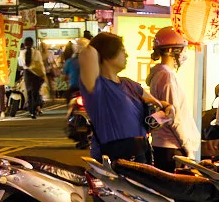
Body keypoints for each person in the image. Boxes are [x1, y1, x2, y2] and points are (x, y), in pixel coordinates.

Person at [75, 32, 151, 164]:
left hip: (141, 150)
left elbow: (158, 104)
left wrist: (167, 110)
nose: (126, 55)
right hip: (114, 157)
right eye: (122, 51)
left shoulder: (130, 84)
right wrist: (103, 42)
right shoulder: (96, 85)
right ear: (108, 55)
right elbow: (88, 53)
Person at [145, 27, 188, 155]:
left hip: (164, 144)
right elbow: (173, 116)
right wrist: (187, 146)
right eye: (183, 49)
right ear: (170, 50)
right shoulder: (166, 76)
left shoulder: (159, 73)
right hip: (171, 145)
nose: (185, 54)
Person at [19, 42, 45, 118]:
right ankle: (36, 109)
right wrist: (43, 74)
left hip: (27, 73)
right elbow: (40, 64)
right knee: (35, 93)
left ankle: (31, 112)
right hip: (35, 73)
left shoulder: (22, 53)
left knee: (29, 93)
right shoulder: (36, 52)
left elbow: (21, 64)